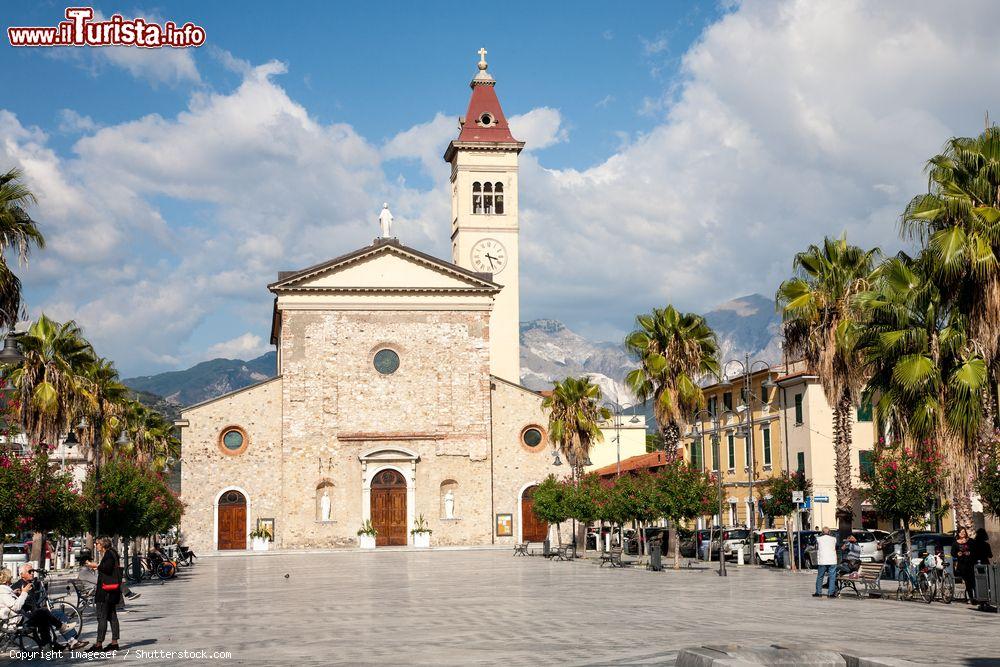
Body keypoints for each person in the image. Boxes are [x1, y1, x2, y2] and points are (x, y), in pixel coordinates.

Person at [5, 566, 87, 650]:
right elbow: (16, 606)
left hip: (36, 612)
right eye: (30, 571)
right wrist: (22, 594)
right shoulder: (18, 586)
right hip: (27, 616)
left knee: (56, 614)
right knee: (45, 615)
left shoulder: (32, 584)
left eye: (33, 571)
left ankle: (70, 641)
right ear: (22, 574)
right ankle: (55, 642)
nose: (32, 573)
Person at [85, 537, 122, 651]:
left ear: (103, 545)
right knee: (112, 616)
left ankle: (98, 644)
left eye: (97, 544)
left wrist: (94, 565)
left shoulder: (109, 554)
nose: (96, 546)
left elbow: (107, 568)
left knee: (102, 616)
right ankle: (114, 642)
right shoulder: (113, 553)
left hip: (106, 591)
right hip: (112, 590)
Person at [813, 527, 838, 598]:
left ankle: (818, 592)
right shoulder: (834, 539)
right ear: (829, 532)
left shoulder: (818, 539)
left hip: (822, 560)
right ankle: (831, 593)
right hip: (832, 560)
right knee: (832, 577)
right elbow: (837, 547)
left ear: (822, 532)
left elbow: (815, 546)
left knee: (820, 577)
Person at [955, 527, 976, 603]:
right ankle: (971, 598)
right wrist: (957, 553)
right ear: (958, 533)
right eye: (961, 532)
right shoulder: (956, 542)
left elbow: (975, 550)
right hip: (962, 565)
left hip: (970, 564)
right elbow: (952, 552)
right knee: (967, 582)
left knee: (972, 581)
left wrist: (970, 553)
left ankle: (975, 597)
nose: (962, 533)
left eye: (964, 532)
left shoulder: (970, 541)